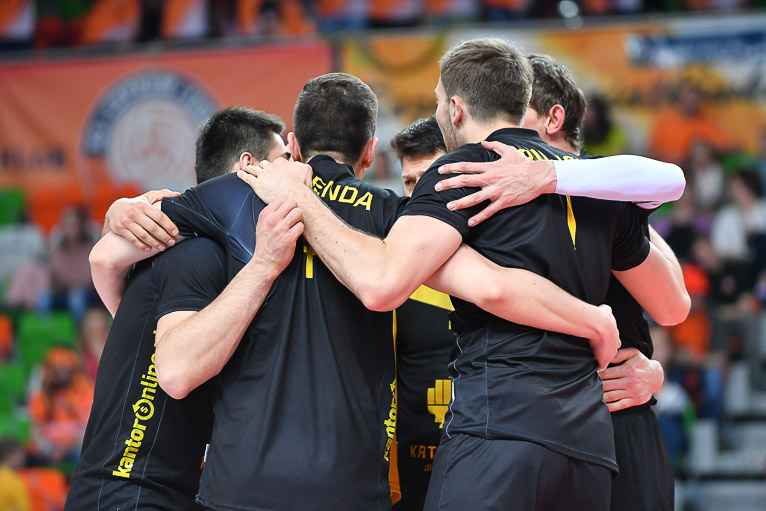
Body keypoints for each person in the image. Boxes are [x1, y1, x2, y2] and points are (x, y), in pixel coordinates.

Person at [98, 72, 633, 510]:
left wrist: (121, 211)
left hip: (240, 487)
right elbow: (493, 285)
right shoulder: (396, 216)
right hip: (352, 487)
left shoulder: (233, 196)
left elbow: (108, 255)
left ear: (293, 146)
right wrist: (590, 318)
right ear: (371, 150)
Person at [237, 39, 690, 510]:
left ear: (455, 108)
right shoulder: (597, 185)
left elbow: (381, 285)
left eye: (437, 102)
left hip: (500, 424)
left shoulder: (463, 171)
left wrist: (301, 200)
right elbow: (671, 304)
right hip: (590, 448)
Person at [438, 53, 679, 511]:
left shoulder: (606, 187)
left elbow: (674, 304)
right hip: (531, 416)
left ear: (552, 119)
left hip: (614, 413)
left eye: (517, 110)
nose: (503, 124)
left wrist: (549, 174)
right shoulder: (484, 177)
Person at [64, 106, 297, 511]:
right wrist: (264, 267)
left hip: (168, 492)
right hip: (129, 492)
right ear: (248, 166)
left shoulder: (214, 254)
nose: (290, 174)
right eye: (282, 161)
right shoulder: (195, 250)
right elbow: (174, 371)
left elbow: (111, 280)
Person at [389, 117, 451, 511]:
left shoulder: (508, 253)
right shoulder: (390, 269)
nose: (417, 194)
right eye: (409, 182)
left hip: (486, 466)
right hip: (410, 478)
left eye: (428, 179)